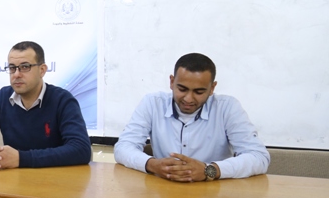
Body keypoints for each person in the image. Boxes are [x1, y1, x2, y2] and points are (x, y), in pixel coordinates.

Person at [114, 53, 270, 182]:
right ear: (172, 82)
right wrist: (152, 164)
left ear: (212, 88)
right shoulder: (152, 103)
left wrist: (209, 170)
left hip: (214, 195)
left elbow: (258, 157)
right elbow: (123, 147)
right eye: (182, 89)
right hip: (164, 192)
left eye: (199, 92)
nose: (188, 99)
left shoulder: (228, 107)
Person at [0, 41, 92, 169]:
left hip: (54, 179)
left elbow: (81, 149)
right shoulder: (2, 98)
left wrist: (21, 158)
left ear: (42, 70)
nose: (17, 74)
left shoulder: (62, 100)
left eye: (25, 67)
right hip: (14, 179)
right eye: (12, 68)